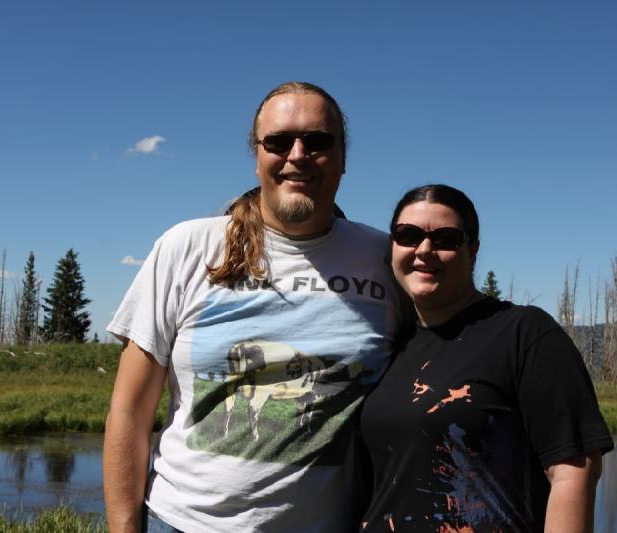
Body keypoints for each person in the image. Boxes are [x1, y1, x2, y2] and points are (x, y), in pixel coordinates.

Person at [103, 81, 404, 532]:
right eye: (279, 142)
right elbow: (130, 410)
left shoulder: (386, 259)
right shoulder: (187, 247)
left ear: (342, 157)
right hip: (184, 522)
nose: (297, 155)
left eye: (317, 141)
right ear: (257, 153)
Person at [359, 184, 613, 532]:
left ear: (473, 251)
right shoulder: (393, 343)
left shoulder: (523, 332)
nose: (424, 250)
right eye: (408, 235)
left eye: (446, 238)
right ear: (392, 246)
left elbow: (574, 470)